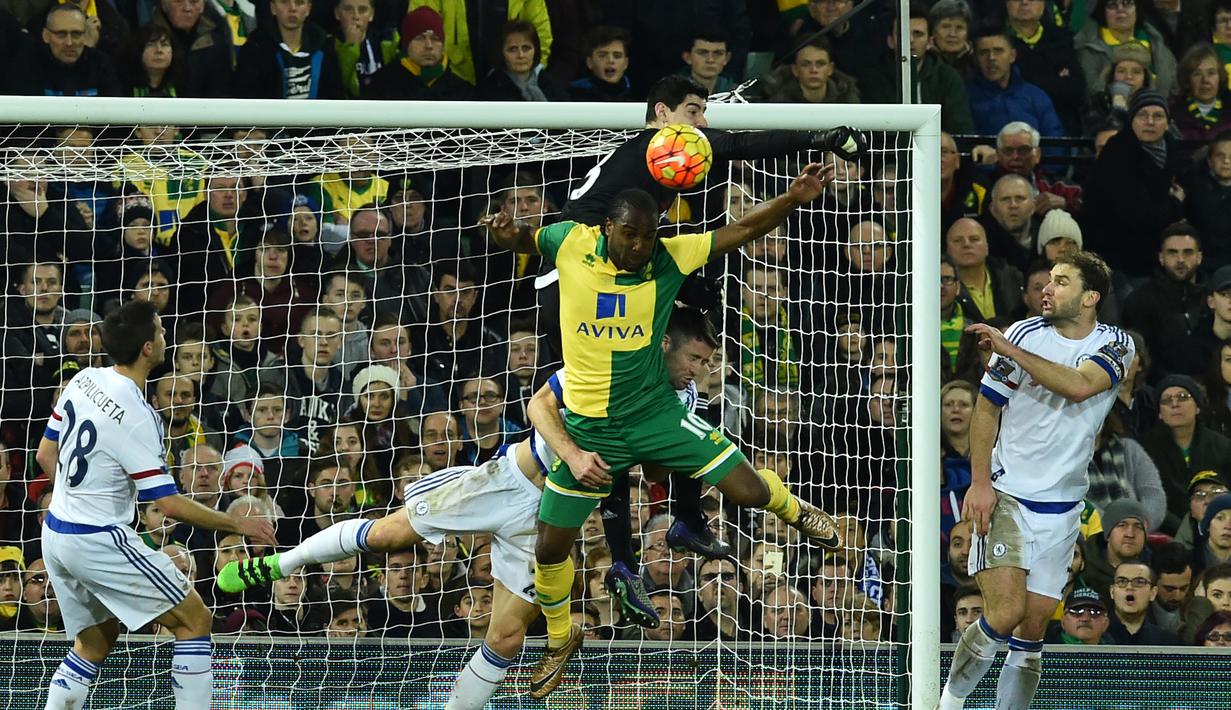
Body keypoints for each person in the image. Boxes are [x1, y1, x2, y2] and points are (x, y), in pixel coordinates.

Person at [484, 166, 846, 698]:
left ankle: (796, 511)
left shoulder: (669, 256)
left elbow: (741, 231)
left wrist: (792, 197)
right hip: (590, 430)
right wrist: (506, 234)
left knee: (746, 490)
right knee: (550, 547)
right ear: (608, 227)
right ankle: (562, 637)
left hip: (654, 413)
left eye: (647, 235)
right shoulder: (570, 240)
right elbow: (526, 238)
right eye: (629, 234)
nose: (638, 246)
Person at [32, 300, 274, 709]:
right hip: (97, 538)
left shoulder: (83, 379)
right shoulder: (139, 415)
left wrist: (78, 498)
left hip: (55, 533)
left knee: (94, 642)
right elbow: (168, 503)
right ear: (148, 347)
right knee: (195, 621)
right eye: (161, 332)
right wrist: (237, 524)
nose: (165, 337)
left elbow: (43, 455)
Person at [535, 74, 864, 359]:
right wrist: (817, 138)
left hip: (571, 279)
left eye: (704, 113)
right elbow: (737, 143)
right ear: (662, 113)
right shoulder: (661, 145)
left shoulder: (641, 158)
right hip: (579, 279)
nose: (702, 123)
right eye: (693, 112)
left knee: (581, 391)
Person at [939, 251, 1134, 710]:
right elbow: (986, 407)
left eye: (1061, 282)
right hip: (1007, 494)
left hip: (1063, 506)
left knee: (1032, 629)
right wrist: (980, 482)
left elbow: (1080, 386)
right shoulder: (1027, 332)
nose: (1047, 288)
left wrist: (1006, 348)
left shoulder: (1116, 344)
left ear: (1091, 297)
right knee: (1004, 613)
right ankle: (945, 703)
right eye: (1047, 280)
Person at [1120, 223, 1211, 378]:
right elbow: (1141, 358)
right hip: (1161, 391)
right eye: (1172, 253)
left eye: (1188, 252)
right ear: (1161, 258)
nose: (1181, 259)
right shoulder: (1140, 301)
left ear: (1199, 257)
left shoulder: (1215, 298)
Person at [965, 24, 1066, 139]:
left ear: (1012, 56)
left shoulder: (1036, 96)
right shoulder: (965, 98)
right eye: (983, 52)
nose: (991, 58)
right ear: (976, 59)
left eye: (998, 51)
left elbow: (1054, 138)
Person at [234, 0, 343, 99]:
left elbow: (335, 96)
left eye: (299, 2)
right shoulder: (255, 48)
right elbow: (245, 97)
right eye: (284, 2)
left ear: (308, 9)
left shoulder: (324, 47)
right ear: (273, 8)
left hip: (315, 119)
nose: (292, 9)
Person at [363, 7, 474, 100]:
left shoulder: (463, 92)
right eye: (420, 38)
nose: (429, 45)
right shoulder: (381, 86)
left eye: (435, 39)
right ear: (406, 44)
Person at [14, 5, 121, 97]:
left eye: (76, 34)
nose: (69, 43)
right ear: (46, 36)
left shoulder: (101, 64)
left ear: (85, 36)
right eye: (61, 34)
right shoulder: (28, 64)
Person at [567, 25, 635, 101]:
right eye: (602, 56)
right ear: (590, 62)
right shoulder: (572, 96)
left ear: (626, 63)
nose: (610, 60)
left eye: (617, 56)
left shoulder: (637, 96)